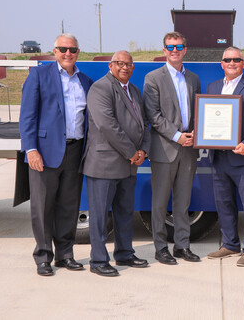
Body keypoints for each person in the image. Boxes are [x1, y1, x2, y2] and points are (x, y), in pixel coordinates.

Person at [19, 34, 93, 276]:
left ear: (78, 52)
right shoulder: (39, 76)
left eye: (72, 49)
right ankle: (43, 257)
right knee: (42, 207)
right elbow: (27, 116)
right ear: (54, 50)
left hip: (75, 151)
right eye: (63, 49)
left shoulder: (85, 80)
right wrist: (31, 149)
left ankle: (65, 255)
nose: (67, 53)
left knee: (69, 207)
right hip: (45, 152)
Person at [81, 51, 151, 277]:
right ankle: (99, 260)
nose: (125, 68)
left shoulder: (134, 90)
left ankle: (124, 253)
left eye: (129, 64)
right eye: (120, 63)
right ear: (111, 65)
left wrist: (144, 150)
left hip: (129, 164)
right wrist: (132, 151)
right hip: (105, 164)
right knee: (100, 216)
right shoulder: (101, 88)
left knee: (124, 213)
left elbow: (144, 125)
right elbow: (107, 125)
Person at [143, 31, 201, 265]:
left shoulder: (193, 78)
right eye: (170, 47)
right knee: (159, 203)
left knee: (183, 202)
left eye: (178, 47)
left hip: (189, 149)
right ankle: (160, 248)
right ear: (164, 50)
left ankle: (182, 246)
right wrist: (178, 136)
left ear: (185, 50)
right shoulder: (153, 78)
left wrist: (198, 131)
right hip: (165, 149)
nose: (174, 51)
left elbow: (198, 110)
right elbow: (153, 116)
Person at [206, 47, 244, 267]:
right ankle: (230, 244)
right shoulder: (213, 87)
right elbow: (207, 118)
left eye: (236, 60)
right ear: (221, 64)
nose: (231, 63)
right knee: (224, 204)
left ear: (243, 64)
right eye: (227, 60)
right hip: (219, 158)